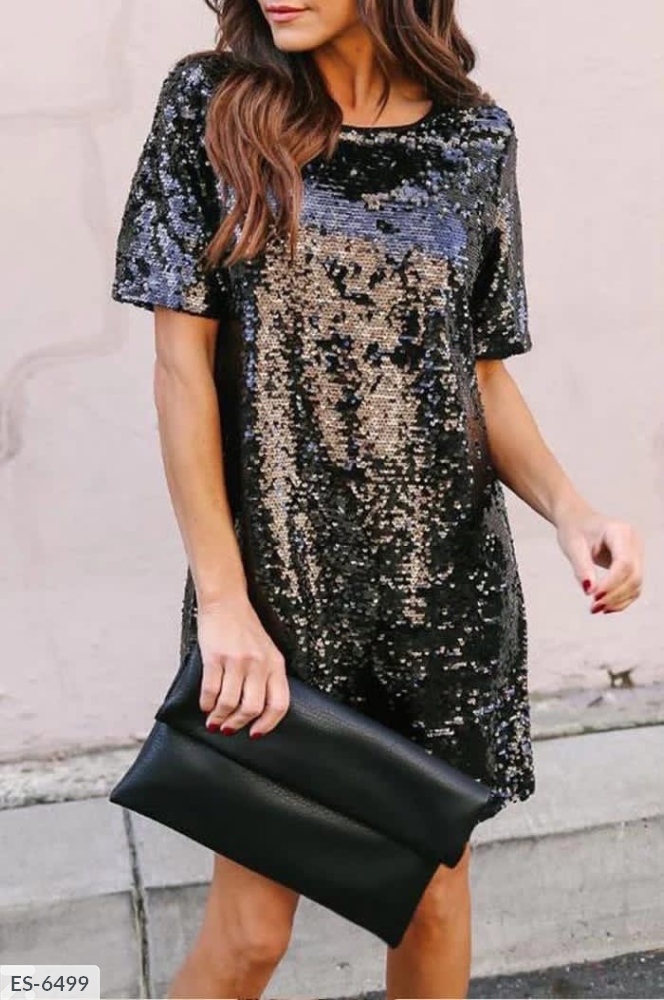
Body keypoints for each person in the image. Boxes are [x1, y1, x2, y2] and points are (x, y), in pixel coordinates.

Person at [111, 1, 644, 997]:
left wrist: (574, 513)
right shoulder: (212, 104)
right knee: (249, 935)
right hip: (277, 597)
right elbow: (181, 371)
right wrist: (223, 601)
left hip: (444, 600)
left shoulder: (474, 136)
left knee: (432, 902)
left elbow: (477, 373)